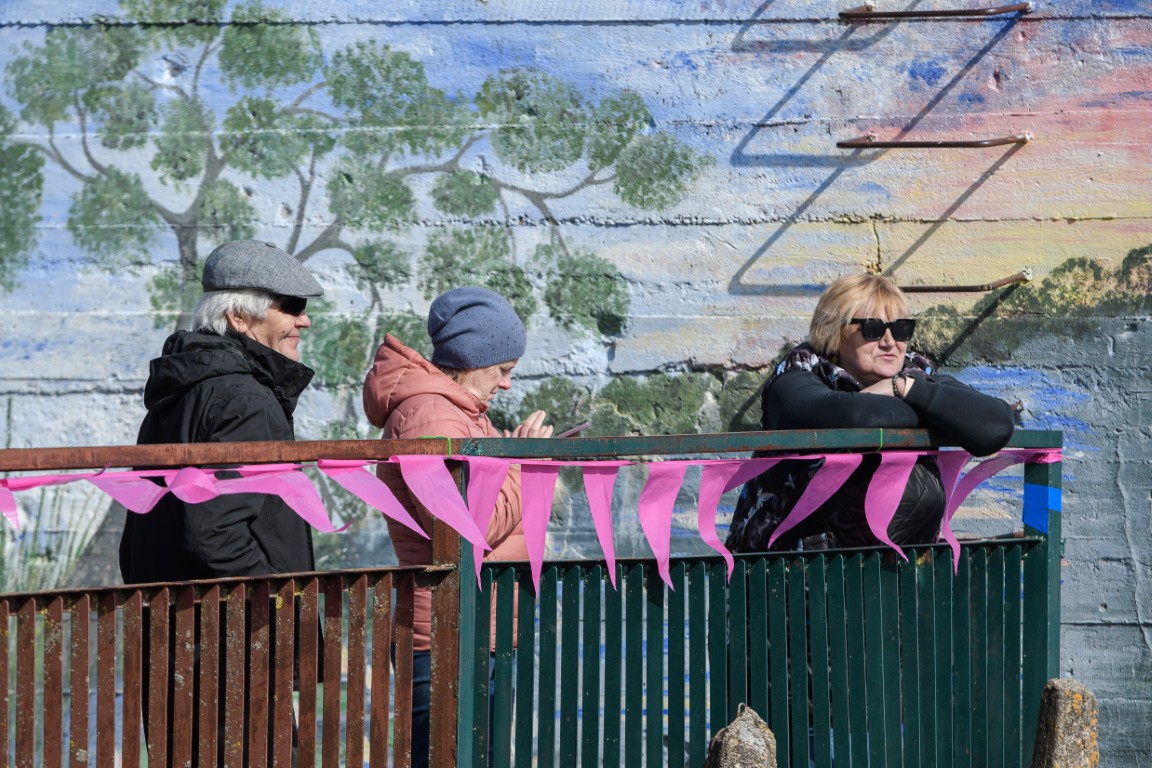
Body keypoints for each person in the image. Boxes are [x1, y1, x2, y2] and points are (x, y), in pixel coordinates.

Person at [119, 238, 324, 767]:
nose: (303, 321)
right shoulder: (243, 398)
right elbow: (214, 533)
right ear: (239, 317)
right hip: (232, 644)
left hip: (175, 636)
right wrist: (280, 602)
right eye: (291, 307)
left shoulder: (183, 388)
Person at [362, 286, 552, 768]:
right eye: (502, 370)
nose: (507, 384)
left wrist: (511, 460)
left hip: (473, 625)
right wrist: (524, 464)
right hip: (451, 630)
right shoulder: (431, 415)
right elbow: (468, 525)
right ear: (473, 359)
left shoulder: (458, 414)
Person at [725, 272, 1015, 554]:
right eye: (873, 329)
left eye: (901, 329)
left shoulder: (915, 374)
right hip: (788, 567)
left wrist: (903, 388)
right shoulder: (798, 374)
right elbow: (856, 418)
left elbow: (995, 426)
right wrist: (936, 412)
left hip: (884, 567)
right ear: (836, 331)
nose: (889, 342)